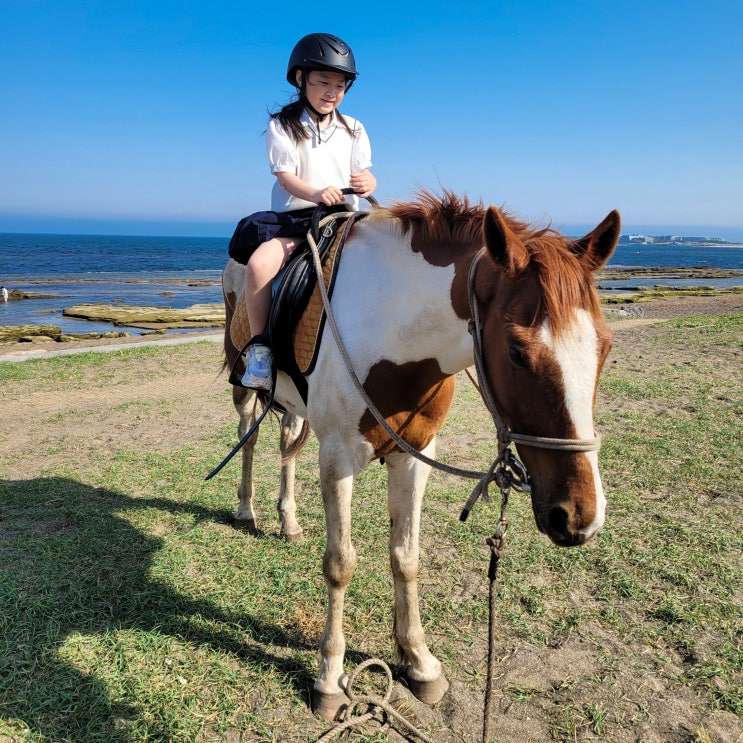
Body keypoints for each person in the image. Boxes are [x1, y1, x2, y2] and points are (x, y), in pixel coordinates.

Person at [228, 32, 376, 390]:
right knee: (262, 264)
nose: (331, 92)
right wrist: (316, 192)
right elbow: (285, 177)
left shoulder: (354, 128)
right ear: (300, 79)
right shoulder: (282, 125)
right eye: (323, 82)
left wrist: (369, 183)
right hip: (298, 219)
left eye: (340, 85)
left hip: (346, 218)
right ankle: (260, 349)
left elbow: (365, 171)